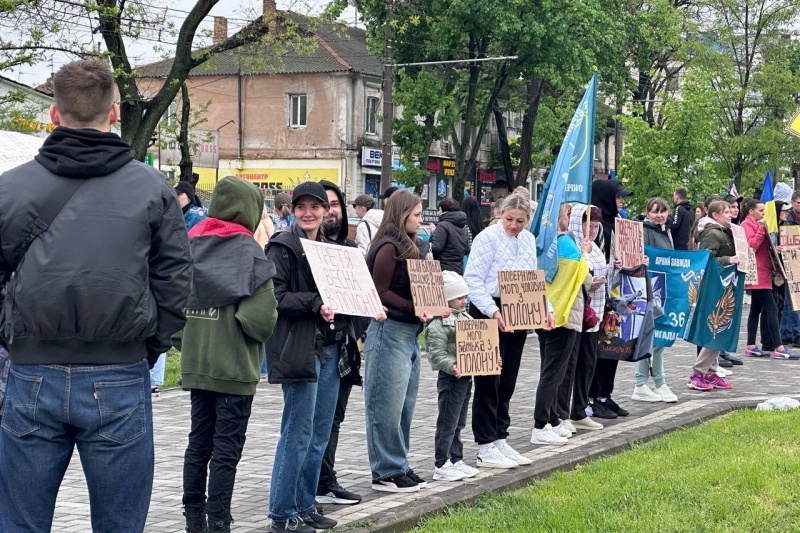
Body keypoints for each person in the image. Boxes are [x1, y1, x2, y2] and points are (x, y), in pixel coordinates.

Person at [0, 59, 192, 533]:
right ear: (114, 112)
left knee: (20, 524)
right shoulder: (152, 188)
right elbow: (175, 280)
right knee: (121, 524)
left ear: (53, 114)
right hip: (119, 371)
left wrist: (14, 338)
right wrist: (148, 346)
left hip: (32, 371)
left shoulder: (10, 188)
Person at [265, 182, 370, 532]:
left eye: (315, 207)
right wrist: (314, 303)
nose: (308, 213)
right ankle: (282, 514)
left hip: (332, 348)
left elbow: (351, 294)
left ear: (327, 211)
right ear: (292, 211)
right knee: (297, 433)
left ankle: (305, 504)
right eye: (301, 207)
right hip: (300, 348)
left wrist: (369, 309)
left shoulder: (334, 250)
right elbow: (275, 297)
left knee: (319, 433)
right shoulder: (282, 247)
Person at [178, 177, 278, 533]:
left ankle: (192, 517)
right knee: (226, 449)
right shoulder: (250, 252)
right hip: (234, 369)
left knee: (198, 443)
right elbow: (261, 321)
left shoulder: (190, 244)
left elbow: (172, 307)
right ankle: (218, 520)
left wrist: (189, 340)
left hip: (196, 364)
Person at [464, 193, 552, 467]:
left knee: (509, 379)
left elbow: (530, 281)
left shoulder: (527, 239)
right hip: (488, 308)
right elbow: (473, 280)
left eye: (521, 221)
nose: (514, 225)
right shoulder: (487, 238)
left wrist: (545, 309)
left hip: (518, 309)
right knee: (488, 380)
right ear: (500, 213)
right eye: (509, 219)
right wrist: (493, 311)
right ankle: (485, 444)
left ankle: (501, 437)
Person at [364, 190, 432, 492]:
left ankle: (399, 462)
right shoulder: (387, 247)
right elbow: (379, 292)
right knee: (386, 405)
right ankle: (386, 469)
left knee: (404, 404)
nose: (421, 220)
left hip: (409, 332)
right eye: (417, 214)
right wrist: (412, 306)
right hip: (388, 330)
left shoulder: (413, 245)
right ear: (402, 214)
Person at [316, 180, 369, 506]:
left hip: (346, 346)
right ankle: (310, 482)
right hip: (314, 347)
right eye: (325, 204)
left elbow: (363, 297)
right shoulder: (301, 248)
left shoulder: (350, 251)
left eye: (334, 204)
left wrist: (360, 336)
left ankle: (326, 478)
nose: (330, 210)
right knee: (311, 419)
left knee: (334, 417)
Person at [532, 204, 589, 445]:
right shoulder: (565, 244)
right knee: (553, 373)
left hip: (547, 311)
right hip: (563, 313)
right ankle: (541, 422)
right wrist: (584, 253)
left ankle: (552, 418)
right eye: (566, 214)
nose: (569, 218)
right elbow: (583, 274)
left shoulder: (543, 243)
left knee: (550, 368)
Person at [425, 271, 482, 481]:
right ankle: (441, 463)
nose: (464, 301)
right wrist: (451, 366)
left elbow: (478, 344)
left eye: (466, 297)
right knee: (447, 422)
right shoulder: (438, 323)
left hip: (466, 377)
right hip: (451, 378)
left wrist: (491, 359)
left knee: (459, 421)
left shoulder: (466, 317)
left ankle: (456, 459)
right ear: (447, 298)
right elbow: (436, 353)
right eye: (460, 297)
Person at [556, 205, 606, 432]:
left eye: (596, 226)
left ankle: (580, 408)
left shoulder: (594, 246)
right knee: (569, 365)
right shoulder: (572, 245)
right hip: (575, 313)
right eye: (589, 225)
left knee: (587, 363)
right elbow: (575, 273)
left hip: (593, 312)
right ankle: (562, 413)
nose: (593, 230)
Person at [588, 179, 630, 419]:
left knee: (612, 348)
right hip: (599, 297)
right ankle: (593, 396)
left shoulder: (617, 225)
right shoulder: (596, 228)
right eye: (617, 197)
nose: (621, 202)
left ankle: (605, 393)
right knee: (599, 350)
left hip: (614, 296)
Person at [631, 197, 679, 403]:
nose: (659, 215)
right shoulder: (646, 231)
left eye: (663, 211)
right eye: (654, 211)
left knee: (659, 338)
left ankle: (657, 382)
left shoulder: (665, 231)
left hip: (663, 288)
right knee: (650, 338)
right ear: (647, 212)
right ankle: (643, 383)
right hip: (651, 289)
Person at [688, 201, 739, 390]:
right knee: (715, 328)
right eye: (726, 211)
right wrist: (728, 259)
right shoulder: (712, 232)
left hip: (725, 285)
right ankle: (698, 373)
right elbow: (706, 258)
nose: (731, 214)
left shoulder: (726, 231)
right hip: (714, 286)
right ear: (715, 215)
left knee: (722, 328)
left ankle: (711, 372)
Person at [741, 199, 798, 359]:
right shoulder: (747, 225)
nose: (763, 214)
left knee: (755, 310)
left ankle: (751, 345)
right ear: (751, 211)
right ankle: (778, 347)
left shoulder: (757, 225)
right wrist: (760, 231)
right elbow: (751, 246)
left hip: (764, 271)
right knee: (772, 308)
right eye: (760, 211)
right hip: (757, 273)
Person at [430, 197, 471, 275]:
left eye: (439, 210)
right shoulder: (463, 227)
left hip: (443, 272)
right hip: (459, 272)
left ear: (442, 210)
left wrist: (433, 234)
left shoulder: (443, 225)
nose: (438, 213)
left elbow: (436, 247)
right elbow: (467, 250)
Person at [780, 190, 800, 347]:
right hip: (790, 262)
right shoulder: (787, 219)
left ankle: (786, 333)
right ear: (793, 202)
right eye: (799, 202)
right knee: (793, 300)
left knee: (790, 300)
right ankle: (796, 333)